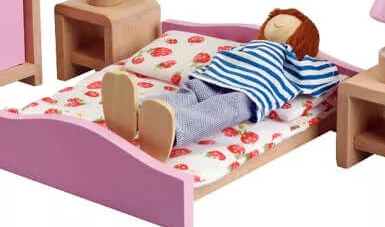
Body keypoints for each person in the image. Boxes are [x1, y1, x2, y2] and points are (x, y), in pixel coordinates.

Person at [103, 9, 340, 161]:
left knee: (217, 110)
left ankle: (173, 128)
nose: (277, 26)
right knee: (187, 95)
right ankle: (137, 112)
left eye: (287, 24)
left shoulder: (292, 59)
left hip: (248, 92)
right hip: (215, 77)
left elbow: (319, 75)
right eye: (276, 20)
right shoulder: (250, 45)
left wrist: (322, 66)